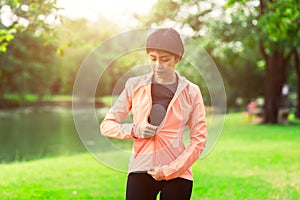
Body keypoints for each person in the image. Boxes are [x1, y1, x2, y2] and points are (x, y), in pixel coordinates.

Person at [100, 28, 207, 200]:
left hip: (178, 174)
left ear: (178, 58)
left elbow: (199, 140)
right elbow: (107, 125)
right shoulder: (134, 85)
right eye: (153, 58)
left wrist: (169, 170)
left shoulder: (191, 91)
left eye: (165, 59)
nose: (158, 65)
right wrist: (135, 130)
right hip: (140, 170)